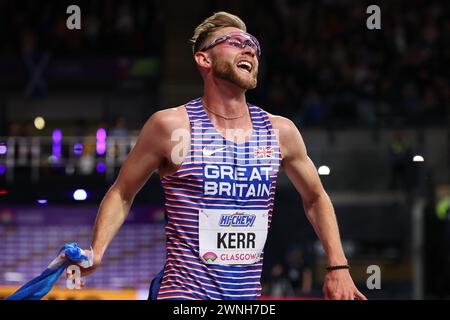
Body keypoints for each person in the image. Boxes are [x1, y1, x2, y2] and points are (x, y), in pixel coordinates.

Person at [63, 11, 366, 300]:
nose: (249, 50)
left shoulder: (280, 131)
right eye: (236, 42)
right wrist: (97, 249)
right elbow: (123, 192)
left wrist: (337, 265)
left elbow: (315, 197)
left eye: (253, 46)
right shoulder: (171, 126)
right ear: (204, 58)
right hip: (184, 295)